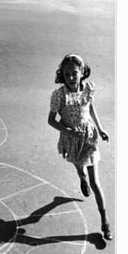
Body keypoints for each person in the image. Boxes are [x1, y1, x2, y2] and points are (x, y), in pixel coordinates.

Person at [47, 54, 113, 240]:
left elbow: (90, 108)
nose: (70, 77)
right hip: (71, 138)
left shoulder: (88, 89)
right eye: (66, 73)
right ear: (62, 73)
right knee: (78, 165)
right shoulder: (59, 95)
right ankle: (81, 177)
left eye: (74, 73)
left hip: (89, 137)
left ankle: (104, 221)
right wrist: (68, 131)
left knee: (96, 182)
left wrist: (100, 129)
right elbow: (51, 120)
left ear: (82, 72)